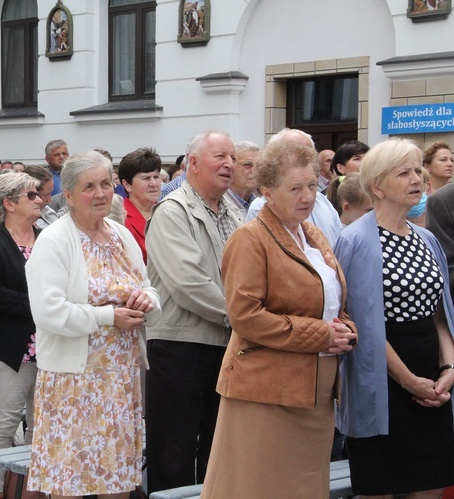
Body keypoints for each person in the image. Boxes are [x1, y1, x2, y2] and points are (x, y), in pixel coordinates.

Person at [201, 139, 357, 497]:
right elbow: (246, 316)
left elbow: (332, 302)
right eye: (295, 188)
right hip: (266, 392)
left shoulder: (313, 235)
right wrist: (321, 335)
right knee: (258, 487)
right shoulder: (249, 238)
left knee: (304, 488)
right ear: (267, 191)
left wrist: (346, 328)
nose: (307, 197)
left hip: (316, 390)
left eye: (312, 187)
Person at [24, 151, 161, 497]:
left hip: (119, 379)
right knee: (69, 479)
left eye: (106, 183)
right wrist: (108, 316)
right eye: (89, 187)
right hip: (73, 382)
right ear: (68, 195)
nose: (101, 193)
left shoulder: (120, 235)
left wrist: (148, 300)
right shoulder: (55, 241)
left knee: (115, 479)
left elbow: (146, 286)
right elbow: (48, 312)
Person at [334, 138, 454, 497]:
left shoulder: (426, 238)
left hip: (432, 376)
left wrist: (448, 370)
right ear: (377, 186)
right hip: (382, 379)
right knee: (380, 486)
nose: (416, 179)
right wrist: (408, 381)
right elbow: (362, 324)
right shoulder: (354, 241)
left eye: (418, 170)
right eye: (404, 173)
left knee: (432, 483)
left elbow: (439, 315)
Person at [144, 131, 243, 494]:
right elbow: (189, 284)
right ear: (193, 164)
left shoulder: (235, 211)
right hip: (179, 345)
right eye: (220, 156)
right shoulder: (172, 211)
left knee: (219, 450)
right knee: (174, 452)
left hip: (226, 343)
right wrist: (243, 318)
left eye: (233, 157)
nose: (229, 164)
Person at [0, 173, 43, 499]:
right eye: (31, 195)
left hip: (50, 348)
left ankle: (33, 489)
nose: (40, 199)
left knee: (42, 425)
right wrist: (40, 306)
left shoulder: (48, 238)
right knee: (3, 422)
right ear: (9, 203)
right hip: (9, 348)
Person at [247, 128, 344, 246]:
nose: (307, 198)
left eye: (307, 155)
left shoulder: (323, 201)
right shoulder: (260, 208)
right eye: (295, 188)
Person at [118, 147, 162, 262]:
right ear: (127, 185)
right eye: (146, 178)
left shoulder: (169, 212)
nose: (153, 183)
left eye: (156, 177)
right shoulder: (120, 219)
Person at [224, 141, 259, 218]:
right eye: (247, 165)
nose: (254, 171)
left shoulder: (262, 203)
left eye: (258, 165)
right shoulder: (220, 204)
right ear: (231, 167)